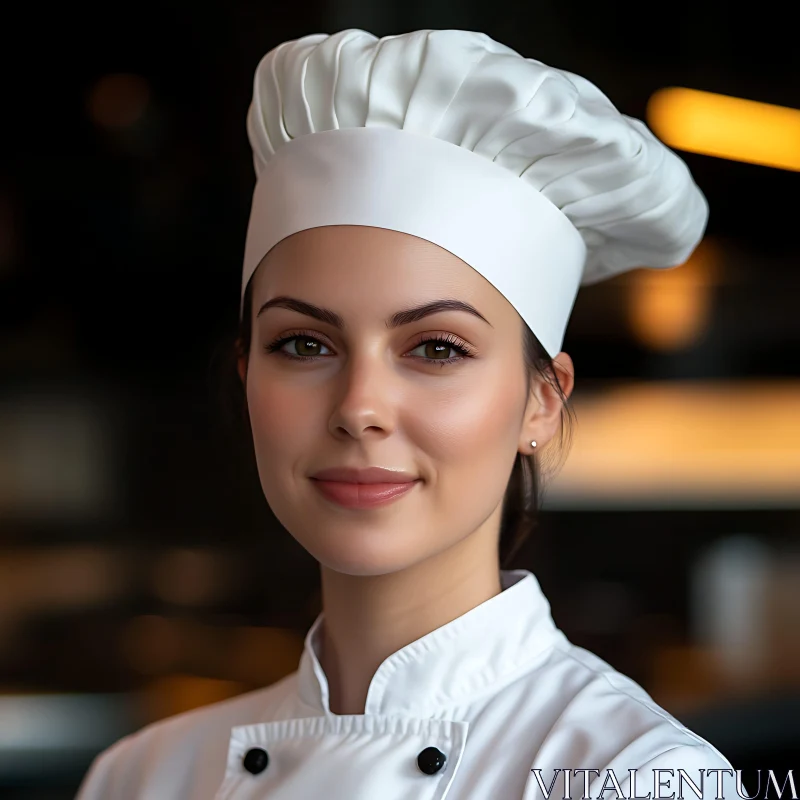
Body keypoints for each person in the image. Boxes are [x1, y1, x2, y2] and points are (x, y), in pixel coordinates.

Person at [76, 28, 742, 799]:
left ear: (543, 400)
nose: (359, 408)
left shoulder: (639, 780)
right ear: (245, 374)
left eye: (435, 349)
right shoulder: (142, 776)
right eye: (302, 343)